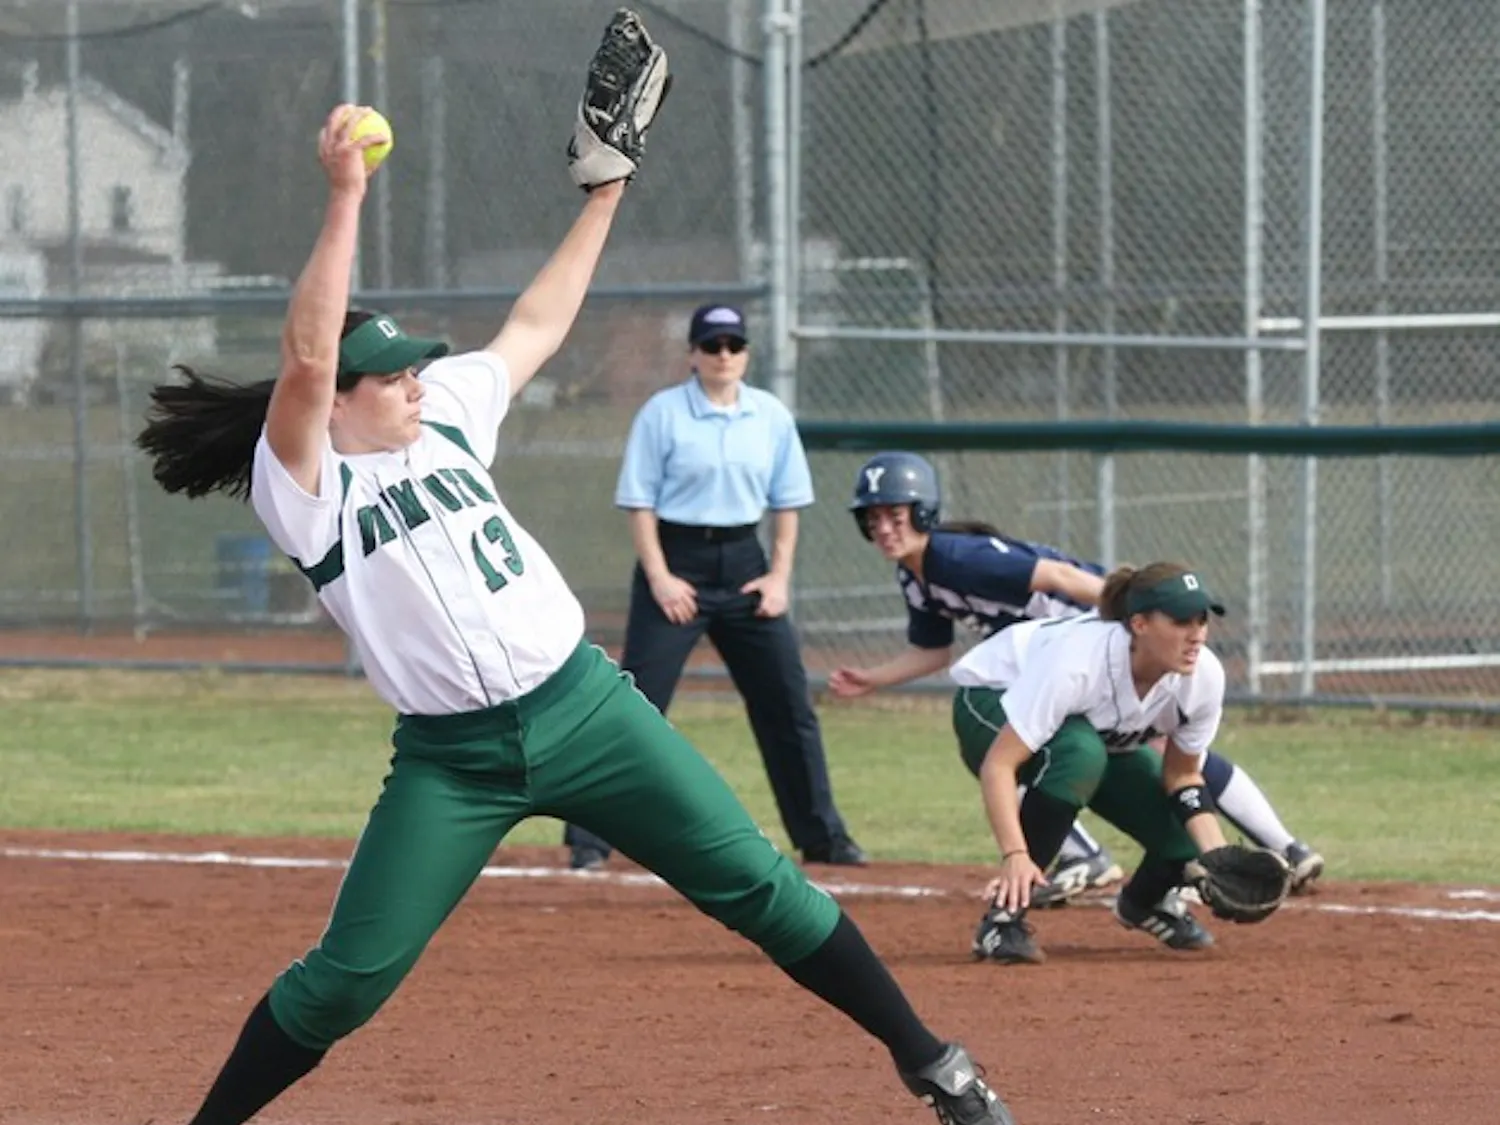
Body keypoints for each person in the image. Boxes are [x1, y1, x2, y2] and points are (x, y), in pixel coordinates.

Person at [134, 40, 1011, 1125]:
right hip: (452, 762)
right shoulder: (304, 484)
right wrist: (346, 194)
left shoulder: (444, 413)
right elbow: (311, 357)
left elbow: (537, 323)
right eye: (395, 371)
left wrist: (605, 197)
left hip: (588, 710)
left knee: (765, 893)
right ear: (343, 401)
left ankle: (935, 1065)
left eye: (416, 367)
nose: (416, 379)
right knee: (348, 980)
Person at [829, 451, 1324, 909]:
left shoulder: (959, 557)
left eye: (897, 515)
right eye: (873, 519)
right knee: (1088, 749)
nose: (886, 528)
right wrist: (873, 678)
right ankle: (1267, 848)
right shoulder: (916, 574)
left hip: (1087, 637)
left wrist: (1127, 618)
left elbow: (1060, 578)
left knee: (1153, 751)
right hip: (1059, 652)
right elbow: (933, 650)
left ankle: (1273, 847)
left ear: (925, 513)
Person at [562, 302, 866, 871]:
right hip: (677, 561)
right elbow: (640, 502)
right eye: (711, 346)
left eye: (733, 345)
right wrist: (660, 578)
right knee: (634, 703)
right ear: (692, 355)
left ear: (746, 354)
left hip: (745, 564)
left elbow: (787, 504)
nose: (722, 356)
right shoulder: (663, 413)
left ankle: (823, 836)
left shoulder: (770, 416)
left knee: (787, 703)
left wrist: (778, 578)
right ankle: (588, 838)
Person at [948, 561, 1249, 963]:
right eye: (1180, 621)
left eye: (1201, 619)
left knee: (1182, 835)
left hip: (1086, 735)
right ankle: (1002, 920)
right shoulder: (1078, 662)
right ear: (1139, 624)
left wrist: (1216, 859)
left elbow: (1183, 775)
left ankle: (1147, 902)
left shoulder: (1203, 676)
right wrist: (1015, 855)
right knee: (1079, 754)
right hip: (988, 698)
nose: (1196, 635)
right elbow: (999, 767)